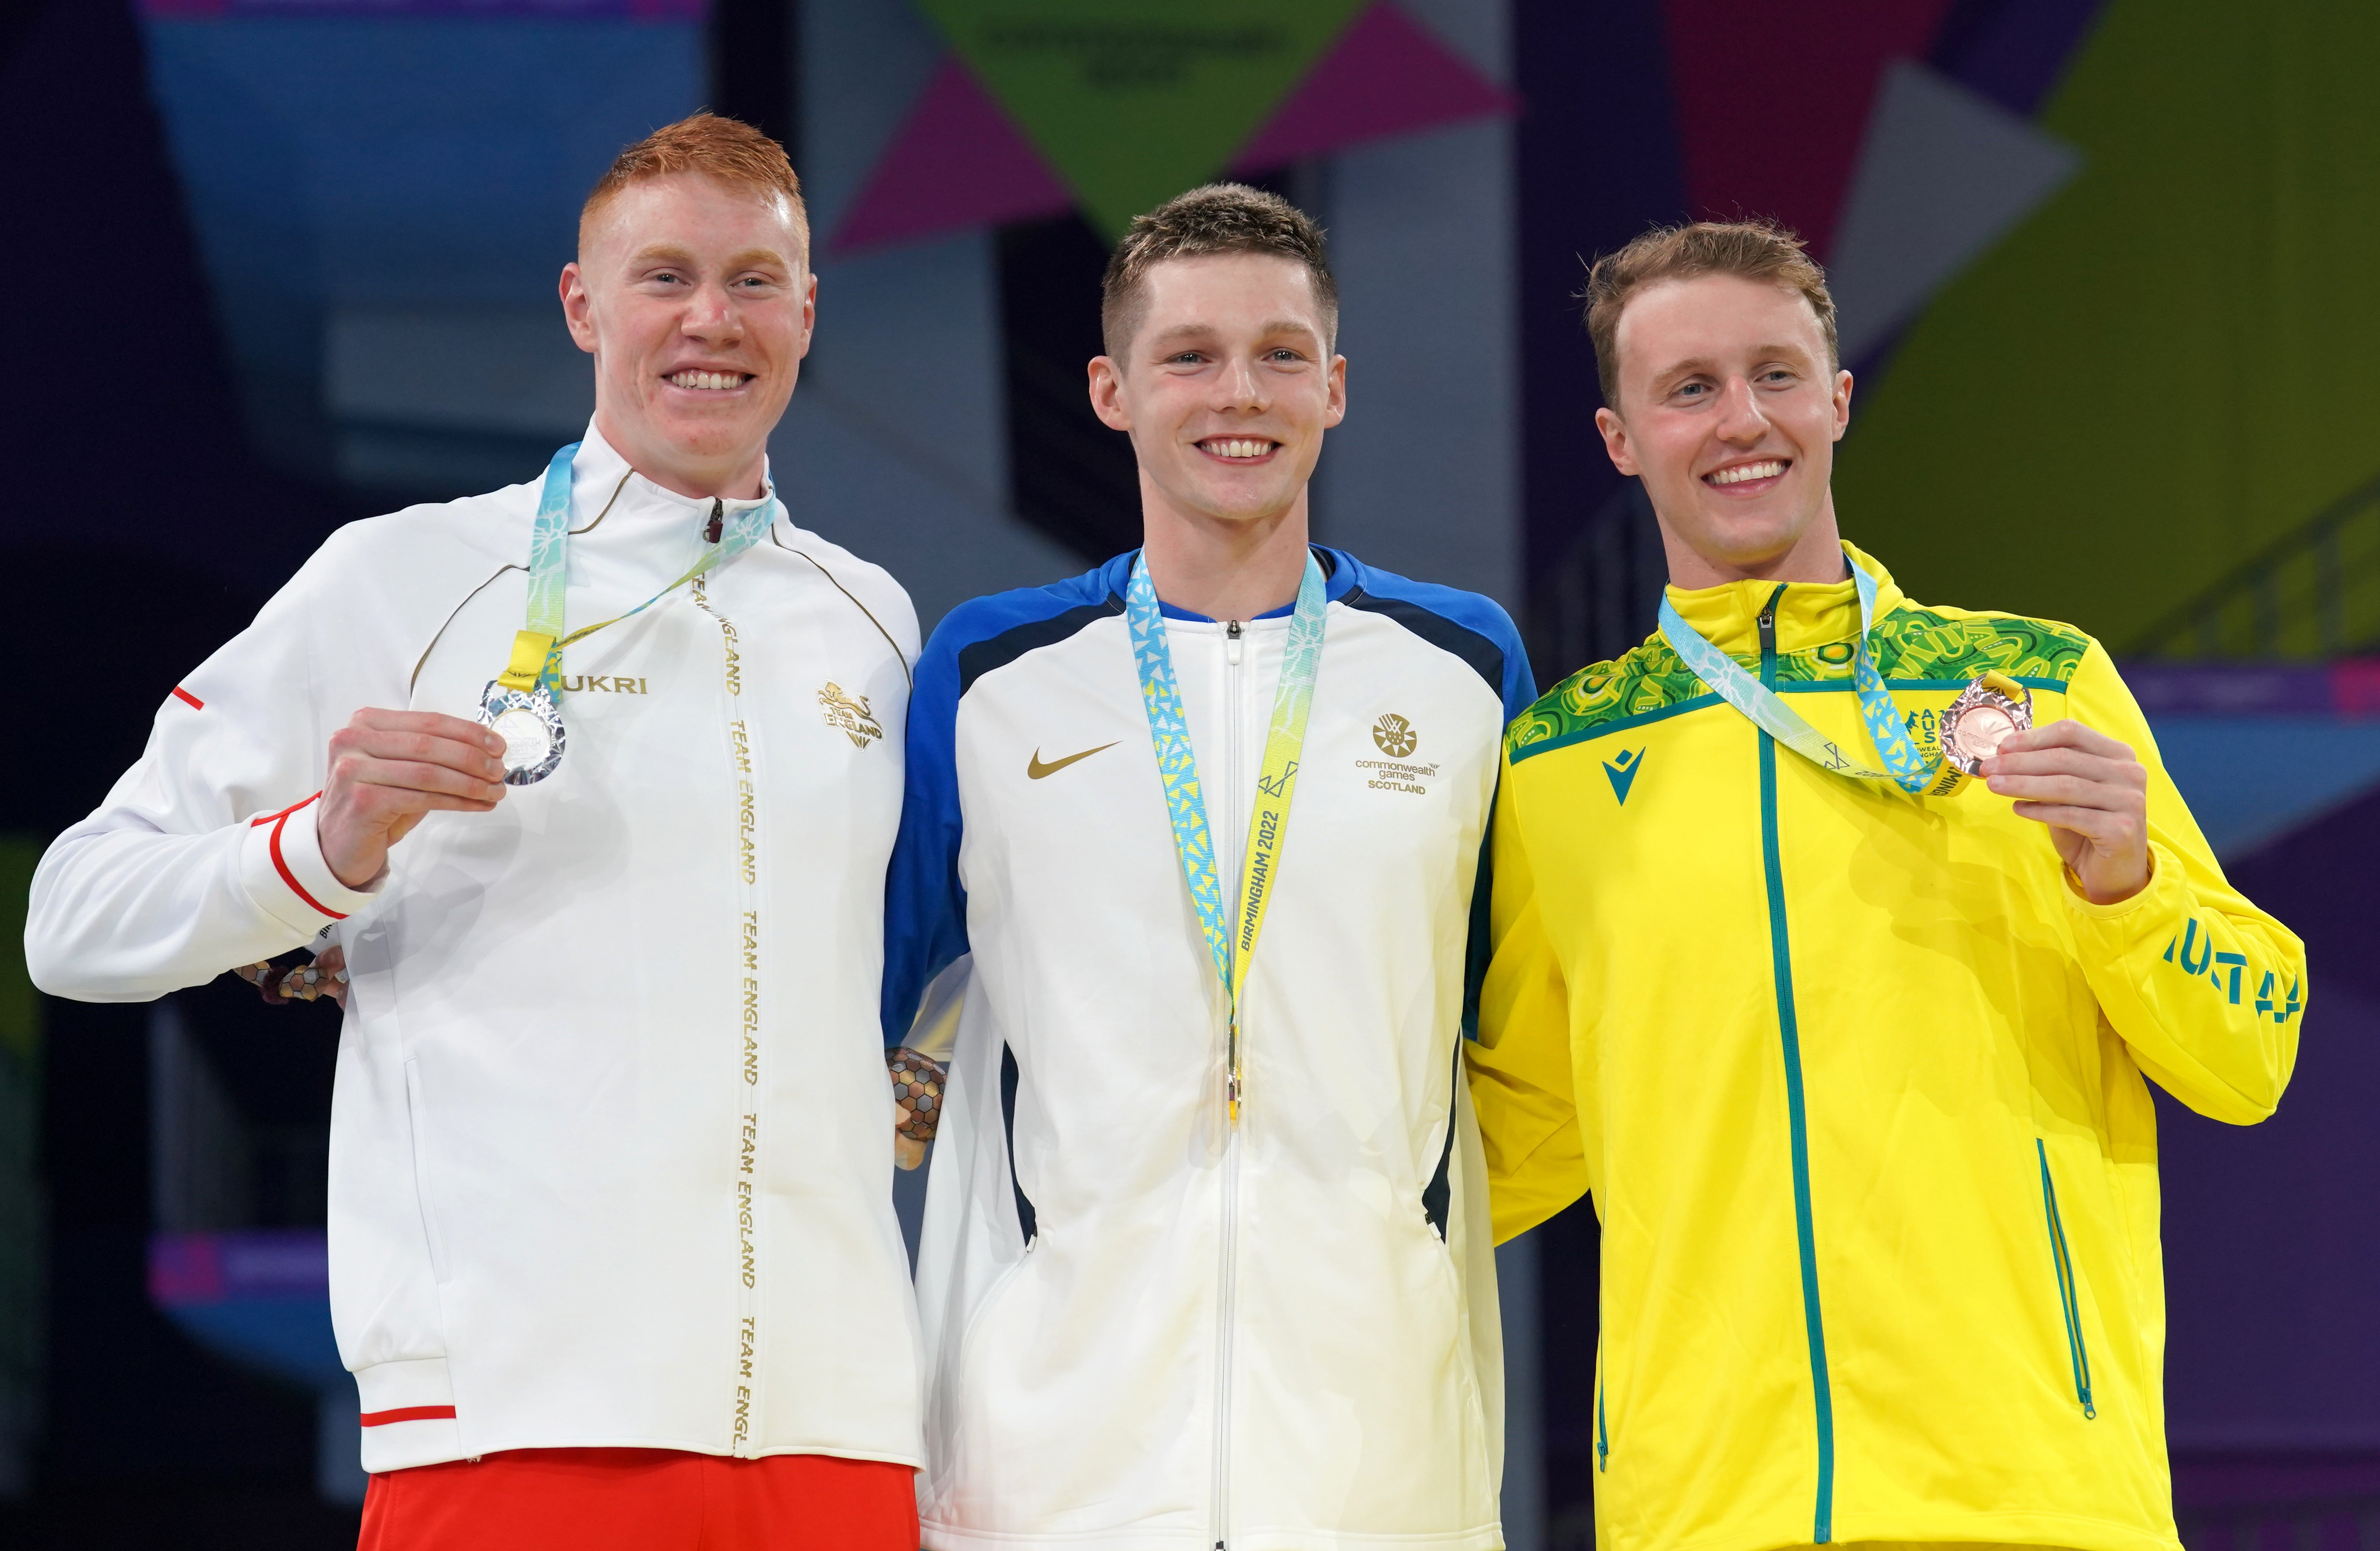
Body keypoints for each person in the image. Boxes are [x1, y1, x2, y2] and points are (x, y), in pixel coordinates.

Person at [25, 115, 924, 1551]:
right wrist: (327, 849)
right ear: (583, 306)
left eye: (756, 280)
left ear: (808, 312)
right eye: (665, 277)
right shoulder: (405, 577)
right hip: (520, 1420)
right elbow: (75, 920)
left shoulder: (875, 621)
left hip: (845, 1426)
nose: (712, 320)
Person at [1469, 219, 2305, 1551]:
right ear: (1622, 437)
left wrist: (2129, 888)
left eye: (1777, 375)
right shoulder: (1562, 760)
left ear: (1839, 401)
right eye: (1689, 389)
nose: (1742, 420)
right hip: (1707, 1512)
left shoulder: (2036, 684)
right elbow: (1508, 1136)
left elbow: (2251, 1053)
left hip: (2033, 1498)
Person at [879, 184, 1534, 1551]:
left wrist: (1386, 1237)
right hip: (1051, 1459)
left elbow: (1525, 1033)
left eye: (1281, 355)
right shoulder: (990, 675)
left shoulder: (1465, 670)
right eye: (1190, 356)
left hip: (1376, 1456)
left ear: (1336, 387)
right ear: (1113, 390)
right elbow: (862, 1006)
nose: (1240, 393)